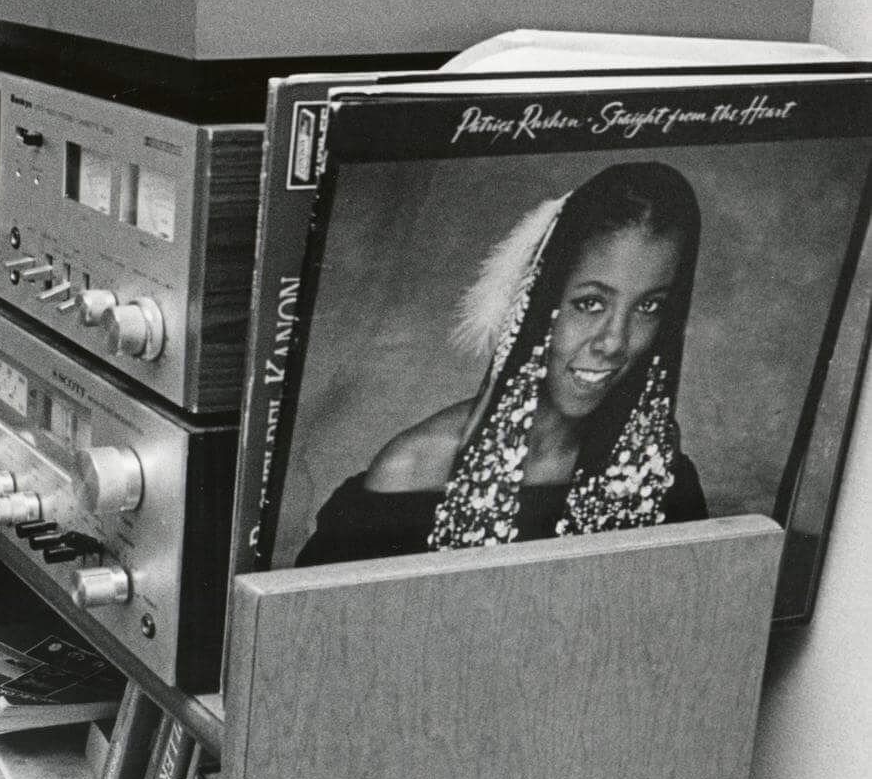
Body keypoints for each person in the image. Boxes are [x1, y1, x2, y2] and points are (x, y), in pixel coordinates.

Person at [294, 160, 709, 567]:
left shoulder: (655, 467)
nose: (615, 342)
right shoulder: (413, 473)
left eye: (649, 307)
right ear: (536, 301)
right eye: (590, 303)